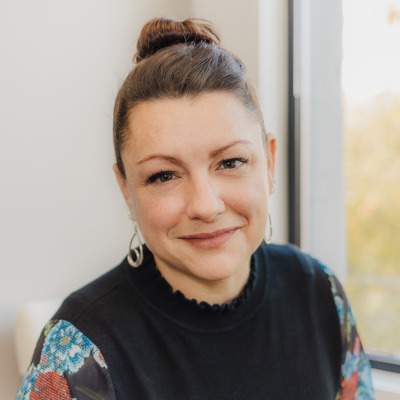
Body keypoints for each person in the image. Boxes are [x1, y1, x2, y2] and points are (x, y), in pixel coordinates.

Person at [17, 17, 375, 399]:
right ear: (126, 190)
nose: (205, 205)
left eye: (231, 162)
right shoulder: (77, 349)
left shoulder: (319, 291)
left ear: (269, 164)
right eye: (163, 176)